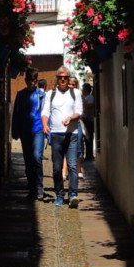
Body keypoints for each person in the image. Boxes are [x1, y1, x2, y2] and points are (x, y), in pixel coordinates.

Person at [42, 65, 83, 208]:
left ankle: (73, 194)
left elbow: (79, 111)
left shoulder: (75, 93)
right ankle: (59, 194)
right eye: (60, 77)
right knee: (56, 167)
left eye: (66, 77)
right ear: (57, 79)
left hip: (72, 134)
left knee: (72, 165)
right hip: (56, 134)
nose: (63, 80)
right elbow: (45, 111)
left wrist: (71, 118)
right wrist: (45, 124)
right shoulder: (50, 94)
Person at [11, 67, 46, 200]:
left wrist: (47, 129)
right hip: (25, 131)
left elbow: (46, 113)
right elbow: (16, 114)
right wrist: (15, 130)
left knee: (37, 157)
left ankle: (39, 187)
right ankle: (31, 188)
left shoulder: (42, 96)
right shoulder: (21, 95)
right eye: (28, 80)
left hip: (38, 130)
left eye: (33, 80)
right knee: (28, 160)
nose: (31, 83)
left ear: (36, 81)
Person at [81, 82, 95, 161]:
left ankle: (89, 155)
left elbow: (89, 107)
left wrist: (83, 102)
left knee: (88, 137)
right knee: (87, 138)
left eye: (83, 89)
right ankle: (88, 154)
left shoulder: (90, 98)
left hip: (89, 120)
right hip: (86, 119)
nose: (82, 90)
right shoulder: (86, 98)